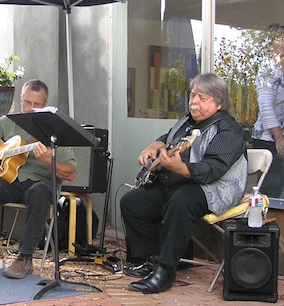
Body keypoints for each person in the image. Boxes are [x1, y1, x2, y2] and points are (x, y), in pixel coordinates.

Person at [120, 73, 247, 294]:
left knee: (180, 203)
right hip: (181, 183)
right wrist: (156, 145)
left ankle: (165, 271)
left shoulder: (228, 130)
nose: (194, 102)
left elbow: (213, 169)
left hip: (215, 189)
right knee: (133, 202)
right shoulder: (188, 120)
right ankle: (151, 260)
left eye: (202, 98)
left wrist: (180, 168)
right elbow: (169, 137)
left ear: (219, 103)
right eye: (193, 96)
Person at [0, 79, 77, 279]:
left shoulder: (55, 130)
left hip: (39, 184)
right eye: (27, 102)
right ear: (21, 100)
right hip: (8, 180)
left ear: (45, 104)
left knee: (40, 192)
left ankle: (25, 258)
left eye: (37, 104)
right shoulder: (8, 122)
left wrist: (48, 162)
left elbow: (71, 172)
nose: (31, 108)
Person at [252, 24, 284, 198]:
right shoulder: (268, 71)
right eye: (281, 38)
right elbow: (265, 107)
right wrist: (279, 138)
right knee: (271, 189)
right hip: (268, 139)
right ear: (270, 46)